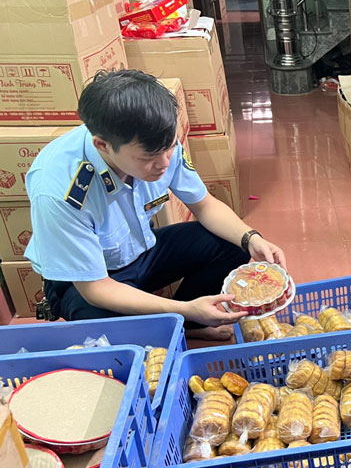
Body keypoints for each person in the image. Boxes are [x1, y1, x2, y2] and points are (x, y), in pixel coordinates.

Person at [25, 70, 286, 340]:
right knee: (114, 338)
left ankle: (187, 326)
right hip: (86, 283)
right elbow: (96, 288)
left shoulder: (158, 140)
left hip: (140, 252)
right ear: (102, 145)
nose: (164, 163)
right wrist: (184, 309)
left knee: (232, 244)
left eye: (170, 147)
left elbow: (205, 205)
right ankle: (180, 321)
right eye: (149, 157)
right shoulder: (58, 188)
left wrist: (251, 238)